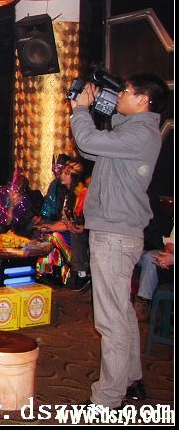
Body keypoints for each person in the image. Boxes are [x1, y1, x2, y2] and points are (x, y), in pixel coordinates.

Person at [70, 73, 169, 409]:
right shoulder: (132, 132)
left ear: (144, 99)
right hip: (117, 231)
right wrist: (97, 107)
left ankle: (107, 400)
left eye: (125, 91)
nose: (120, 95)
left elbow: (87, 140)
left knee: (110, 321)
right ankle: (132, 380)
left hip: (115, 234)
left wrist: (81, 110)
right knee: (122, 314)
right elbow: (91, 148)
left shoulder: (141, 133)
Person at [35, 158, 91, 290]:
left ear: (74, 177)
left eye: (66, 173)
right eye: (63, 172)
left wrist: (56, 228)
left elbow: (79, 222)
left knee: (55, 236)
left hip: (84, 235)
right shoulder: (68, 195)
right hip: (73, 231)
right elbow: (65, 222)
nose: (62, 175)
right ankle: (48, 273)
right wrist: (49, 227)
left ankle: (81, 273)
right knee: (47, 235)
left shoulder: (83, 194)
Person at [0, 169, 34, 236]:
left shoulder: (24, 203)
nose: (11, 190)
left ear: (21, 192)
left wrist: (11, 205)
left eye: (15, 188)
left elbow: (8, 223)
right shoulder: (1, 193)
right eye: (10, 186)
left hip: (15, 232)